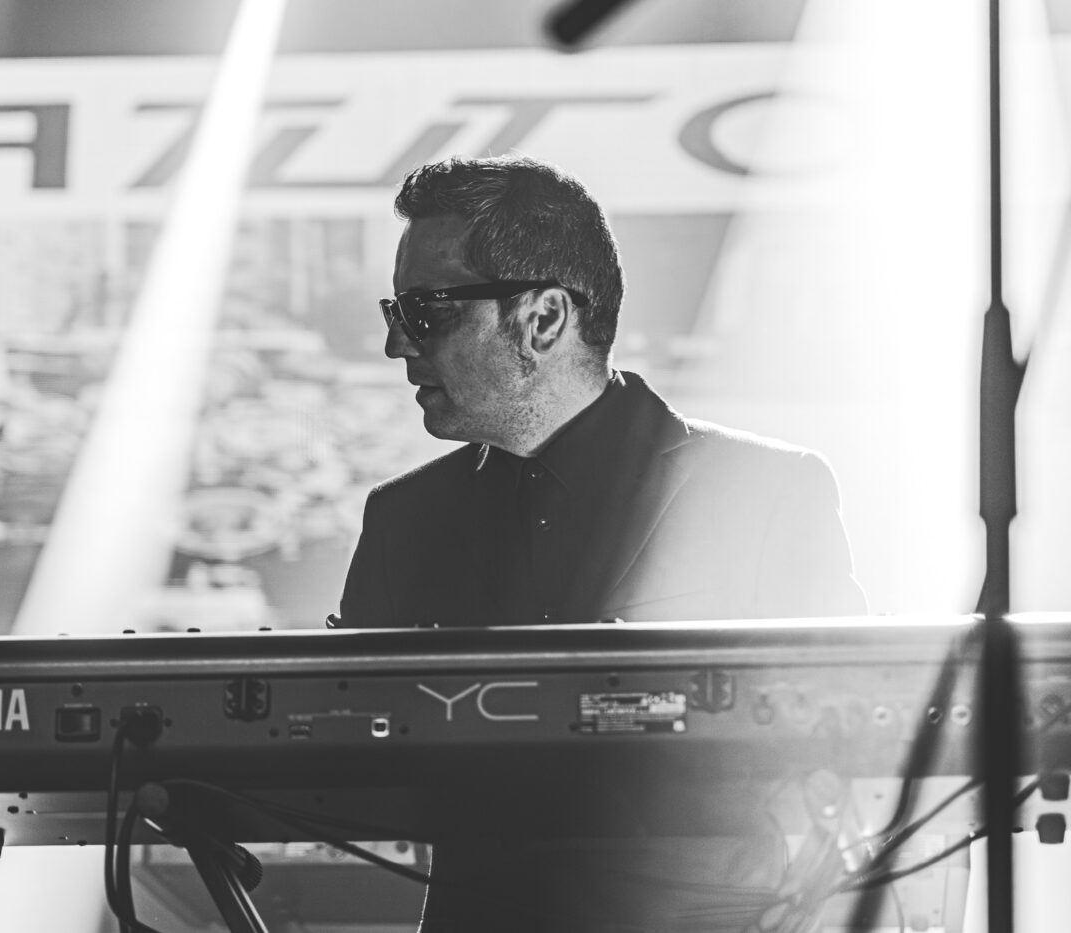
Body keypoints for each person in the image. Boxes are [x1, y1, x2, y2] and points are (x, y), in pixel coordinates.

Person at [334, 155, 867, 931]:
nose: (396, 344)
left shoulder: (769, 492)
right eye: (397, 310)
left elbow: (848, 746)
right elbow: (341, 763)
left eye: (426, 310)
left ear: (545, 319)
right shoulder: (403, 518)